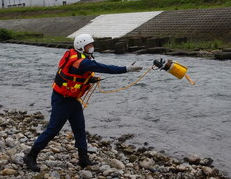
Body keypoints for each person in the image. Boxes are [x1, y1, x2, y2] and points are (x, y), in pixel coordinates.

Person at [24, 33, 143, 171]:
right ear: (81, 47)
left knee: (79, 127)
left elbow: (75, 75)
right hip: (62, 100)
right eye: (89, 45)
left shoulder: (76, 55)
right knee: (53, 129)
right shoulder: (83, 62)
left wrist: (88, 80)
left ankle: (83, 159)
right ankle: (31, 156)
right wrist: (126, 69)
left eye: (92, 44)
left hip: (71, 99)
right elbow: (106, 68)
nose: (92, 47)